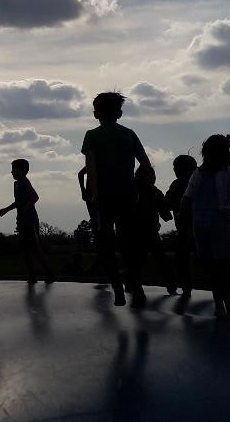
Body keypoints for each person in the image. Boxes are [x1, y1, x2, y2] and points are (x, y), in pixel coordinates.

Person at [81, 92, 151, 308]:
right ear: (119, 113)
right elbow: (146, 165)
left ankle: (117, 288)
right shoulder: (129, 134)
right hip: (128, 195)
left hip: (103, 198)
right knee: (129, 243)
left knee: (105, 244)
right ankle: (136, 286)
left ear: (96, 114)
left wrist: (93, 193)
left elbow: (91, 168)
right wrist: (137, 185)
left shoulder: (92, 135)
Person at [181, 135, 230, 317]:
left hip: (201, 225)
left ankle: (220, 304)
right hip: (218, 224)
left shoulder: (198, 173)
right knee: (224, 266)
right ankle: (227, 306)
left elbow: (186, 200)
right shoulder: (228, 172)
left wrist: (183, 220)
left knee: (214, 266)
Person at [0, 159, 55, 284]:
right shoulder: (16, 184)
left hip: (30, 221)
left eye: (14, 169)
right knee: (25, 249)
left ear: (23, 171)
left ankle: (48, 273)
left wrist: (24, 209)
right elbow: (19, 202)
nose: (12, 172)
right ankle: (32, 275)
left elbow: (35, 197)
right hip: (23, 221)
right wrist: (6, 209)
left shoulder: (24, 182)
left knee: (35, 247)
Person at [134, 164, 176, 294]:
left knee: (138, 261)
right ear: (149, 177)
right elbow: (167, 216)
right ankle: (171, 286)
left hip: (134, 232)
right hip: (150, 231)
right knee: (162, 260)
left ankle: (131, 284)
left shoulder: (132, 190)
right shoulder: (154, 192)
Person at [165, 155, 198, 297]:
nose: (174, 170)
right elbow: (167, 203)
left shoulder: (179, 184)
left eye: (176, 168)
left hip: (194, 228)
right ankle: (186, 287)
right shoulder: (177, 184)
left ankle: (186, 288)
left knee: (183, 259)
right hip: (188, 229)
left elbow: (166, 203)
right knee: (183, 259)